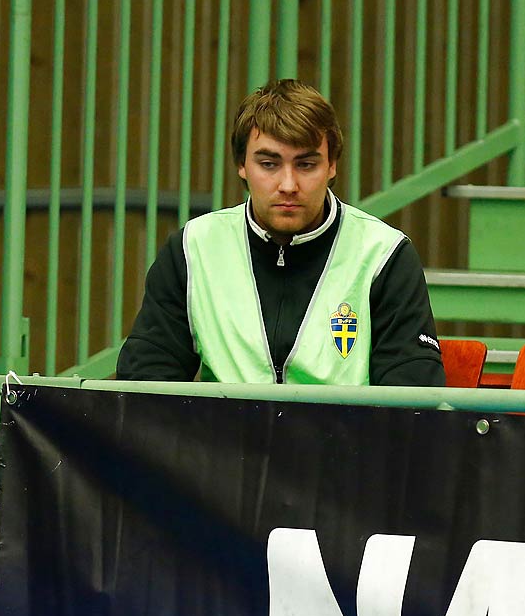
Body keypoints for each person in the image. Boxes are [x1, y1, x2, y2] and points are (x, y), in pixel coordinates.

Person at [116, 79, 445, 386]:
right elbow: (146, 379)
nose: (288, 185)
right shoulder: (193, 247)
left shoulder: (384, 254)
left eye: (306, 164)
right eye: (269, 164)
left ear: (332, 166)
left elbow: (412, 396)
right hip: (225, 445)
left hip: (342, 446)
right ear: (241, 165)